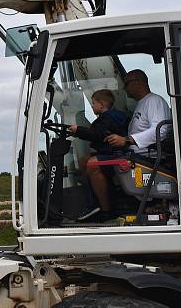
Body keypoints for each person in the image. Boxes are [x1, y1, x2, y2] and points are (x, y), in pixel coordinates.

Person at [86, 70, 171, 221]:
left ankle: (106, 212)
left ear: (138, 82)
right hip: (133, 154)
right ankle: (99, 205)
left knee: (93, 164)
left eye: (126, 84)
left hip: (145, 157)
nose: (124, 89)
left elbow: (161, 130)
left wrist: (127, 140)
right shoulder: (141, 104)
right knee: (86, 160)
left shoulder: (154, 101)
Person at [68, 90, 129, 220]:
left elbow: (97, 135)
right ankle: (91, 198)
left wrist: (78, 130)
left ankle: (103, 208)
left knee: (92, 164)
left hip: (117, 155)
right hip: (111, 153)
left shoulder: (108, 119)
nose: (92, 106)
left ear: (101, 104)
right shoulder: (112, 117)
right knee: (83, 161)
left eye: (93, 103)